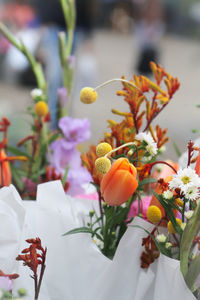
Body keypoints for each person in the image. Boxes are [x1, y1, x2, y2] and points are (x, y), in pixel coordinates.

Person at [132, 0, 164, 75]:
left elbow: (155, 39)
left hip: (151, 54)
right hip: (143, 53)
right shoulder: (141, 23)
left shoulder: (158, 25)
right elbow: (140, 39)